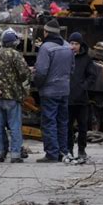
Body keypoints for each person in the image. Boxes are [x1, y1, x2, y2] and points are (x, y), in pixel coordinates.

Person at [0, 30, 31, 163]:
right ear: (14, 43)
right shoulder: (16, 55)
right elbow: (24, 73)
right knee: (14, 126)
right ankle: (15, 154)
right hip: (12, 97)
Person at [34, 19, 75, 162]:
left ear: (46, 32)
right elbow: (72, 69)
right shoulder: (68, 46)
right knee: (62, 121)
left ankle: (51, 153)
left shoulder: (46, 48)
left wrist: (37, 85)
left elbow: (41, 72)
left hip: (49, 91)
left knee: (49, 121)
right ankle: (63, 152)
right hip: (64, 90)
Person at [67, 32, 97, 159]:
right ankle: (69, 149)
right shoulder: (66, 57)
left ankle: (81, 150)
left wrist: (83, 86)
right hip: (67, 98)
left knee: (82, 126)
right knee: (67, 126)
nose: (73, 46)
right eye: (71, 43)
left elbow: (92, 75)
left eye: (76, 44)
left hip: (81, 99)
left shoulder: (86, 59)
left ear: (80, 45)